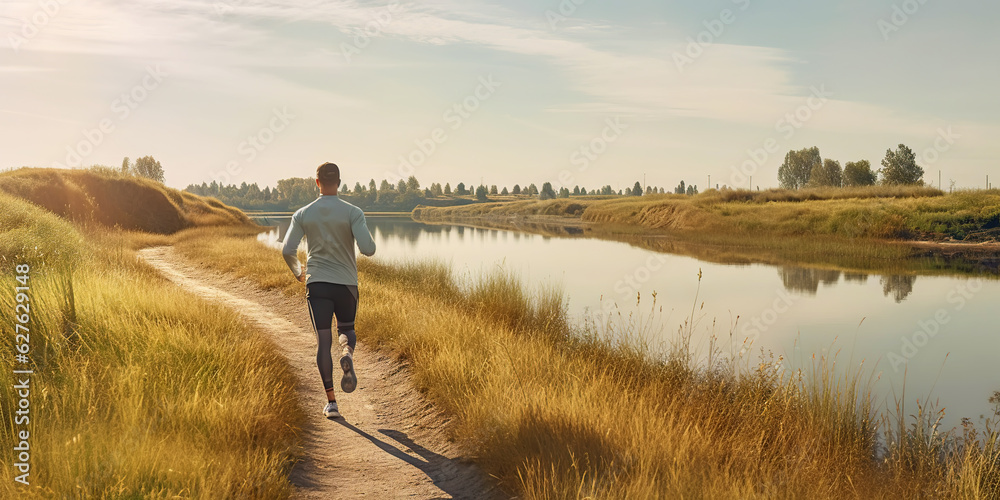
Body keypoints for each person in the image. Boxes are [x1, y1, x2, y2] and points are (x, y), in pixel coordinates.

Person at [282, 162, 376, 418]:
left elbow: (287, 250)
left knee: (323, 342)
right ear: (340, 182)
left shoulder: (303, 214)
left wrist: (299, 272)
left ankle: (332, 403)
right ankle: (347, 353)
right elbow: (368, 249)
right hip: (346, 284)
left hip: (318, 283)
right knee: (346, 330)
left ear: (317, 182)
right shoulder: (353, 212)